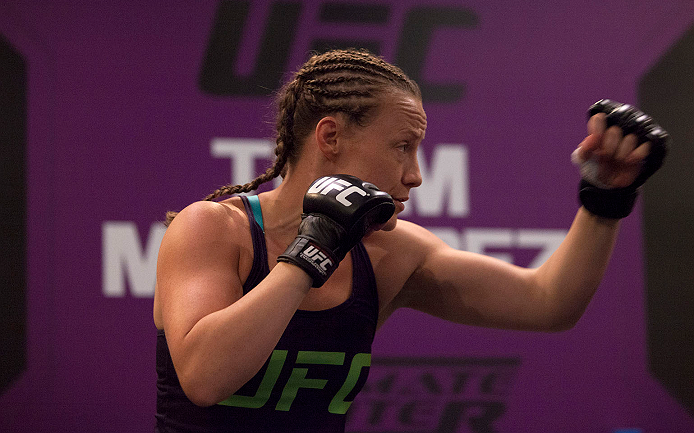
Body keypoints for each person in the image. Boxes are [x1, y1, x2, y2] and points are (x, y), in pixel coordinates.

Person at [152, 49, 668, 432]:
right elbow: (203, 378)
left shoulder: (392, 254)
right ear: (330, 137)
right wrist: (311, 253)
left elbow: (547, 303)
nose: (415, 175)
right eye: (402, 147)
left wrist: (603, 199)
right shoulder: (212, 228)